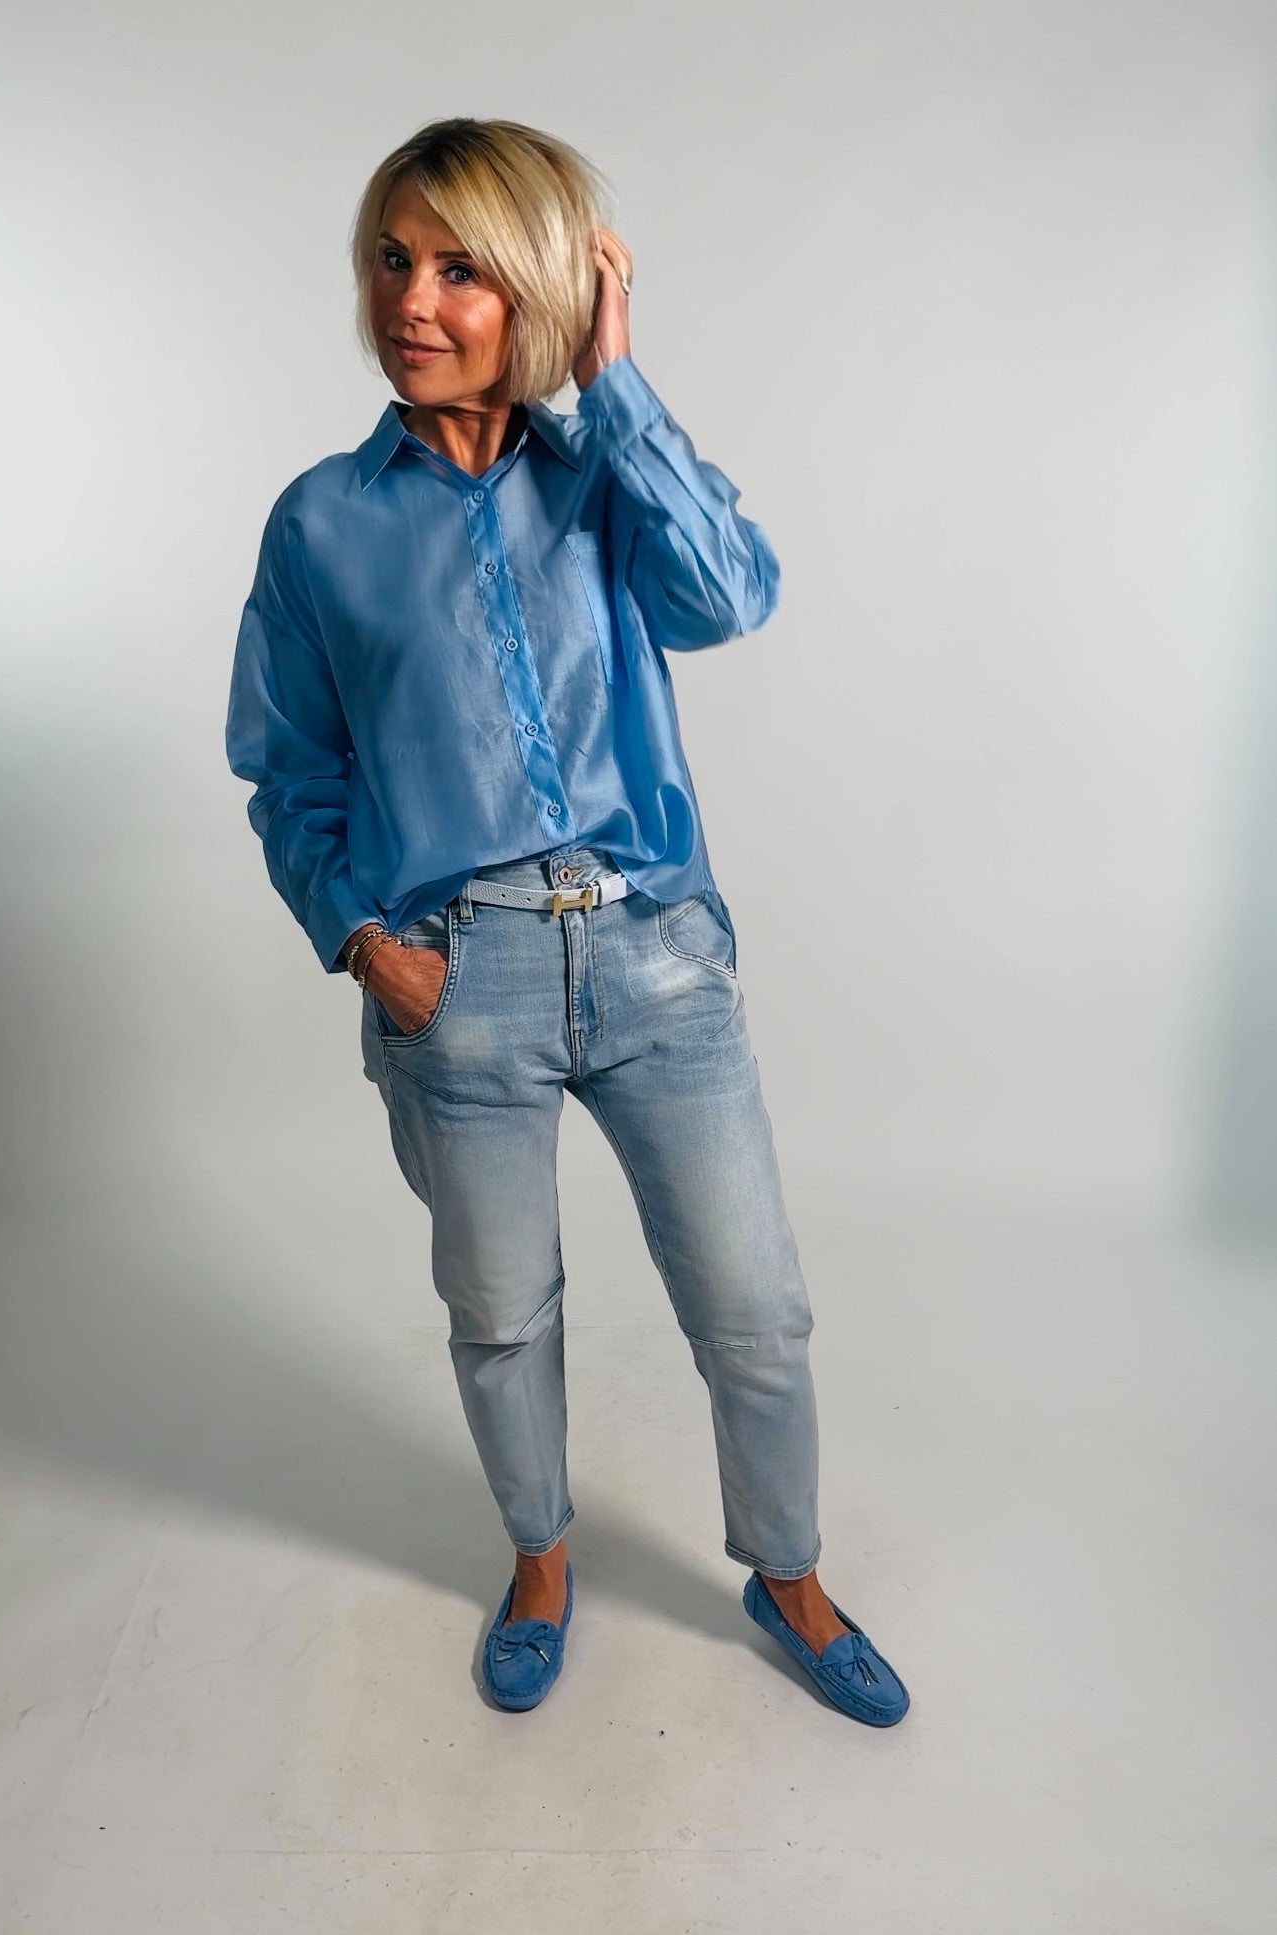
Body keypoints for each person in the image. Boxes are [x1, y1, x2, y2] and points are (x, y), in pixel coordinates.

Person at [226, 116, 909, 1724]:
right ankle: (539, 1560)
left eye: (461, 268)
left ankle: (787, 1574)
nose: (412, 300)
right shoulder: (321, 522)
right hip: (455, 979)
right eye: (392, 258)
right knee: (496, 1315)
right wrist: (365, 943)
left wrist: (617, 384)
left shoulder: (607, 475)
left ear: (535, 287)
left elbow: (731, 597)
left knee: (754, 1311)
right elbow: (286, 767)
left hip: (654, 956)